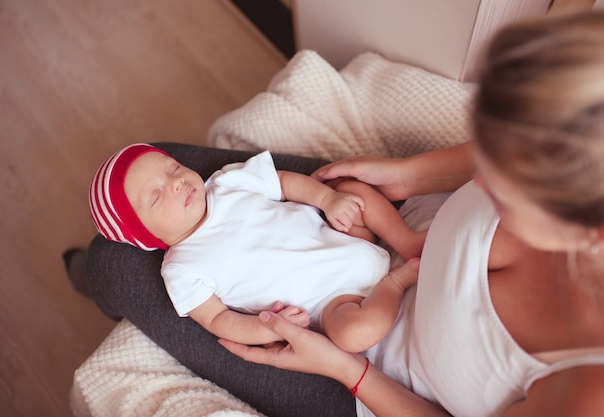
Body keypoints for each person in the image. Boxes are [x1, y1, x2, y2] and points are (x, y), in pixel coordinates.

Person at [66, 10, 604, 417]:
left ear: (599, 237)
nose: (481, 169)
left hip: (369, 360)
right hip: (387, 232)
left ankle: (103, 286)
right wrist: (412, 176)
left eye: (508, 175)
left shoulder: (589, 394)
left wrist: (338, 366)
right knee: (153, 164)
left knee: (113, 263)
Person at [88, 143, 424, 352]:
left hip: (347, 237)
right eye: (157, 196)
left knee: (354, 193)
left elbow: (285, 183)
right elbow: (217, 319)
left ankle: (404, 240)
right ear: (145, 236)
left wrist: (328, 198)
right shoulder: (180, 270)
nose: (176, 182)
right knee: (352, 336)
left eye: (173, 167)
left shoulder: (226, 182)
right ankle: (395, 283)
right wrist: (264, 329)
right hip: (333, 302)